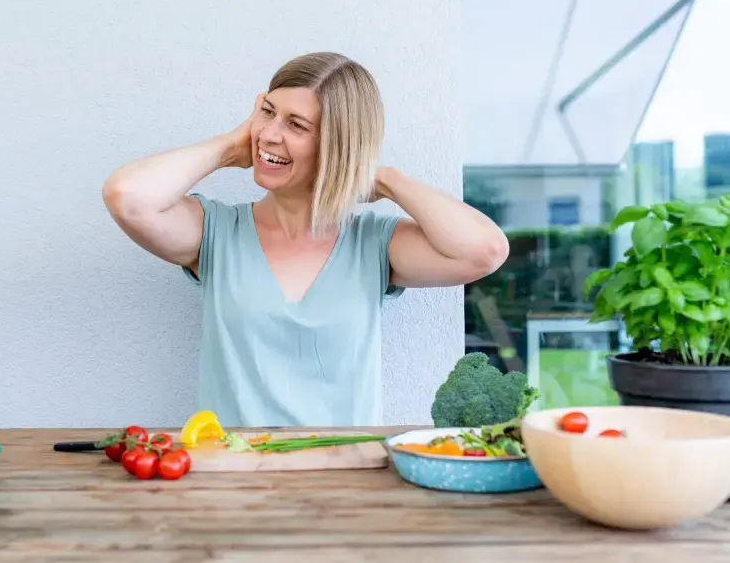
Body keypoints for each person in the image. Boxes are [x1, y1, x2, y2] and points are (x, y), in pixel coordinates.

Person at [102, 52, 509, 427]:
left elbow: (484, 250)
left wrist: (386, 179)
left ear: (337, 145)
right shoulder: (215, 232)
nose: (268, 135)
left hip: (346, 474)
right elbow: (127, 197)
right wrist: (229, 147)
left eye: (295, 125)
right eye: (267, 112)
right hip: (231, 474)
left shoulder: (373, 243)